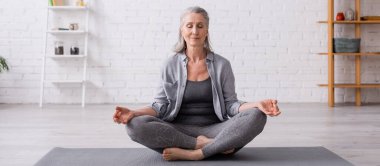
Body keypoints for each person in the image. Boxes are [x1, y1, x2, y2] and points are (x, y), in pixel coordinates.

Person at [113, 6, 281, 161]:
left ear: (206, 31)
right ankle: (207, 145)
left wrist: (257, 104)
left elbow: (231, 105)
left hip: (215, 129)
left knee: (256, 115)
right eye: (189, 26)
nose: (195, 31)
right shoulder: (169, 65)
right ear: (182, 30)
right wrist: (134, 113)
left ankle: (196, 154)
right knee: (134, 125)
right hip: (177, 130)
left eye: (200, 26)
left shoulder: (222, 65)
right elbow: (159, 106)